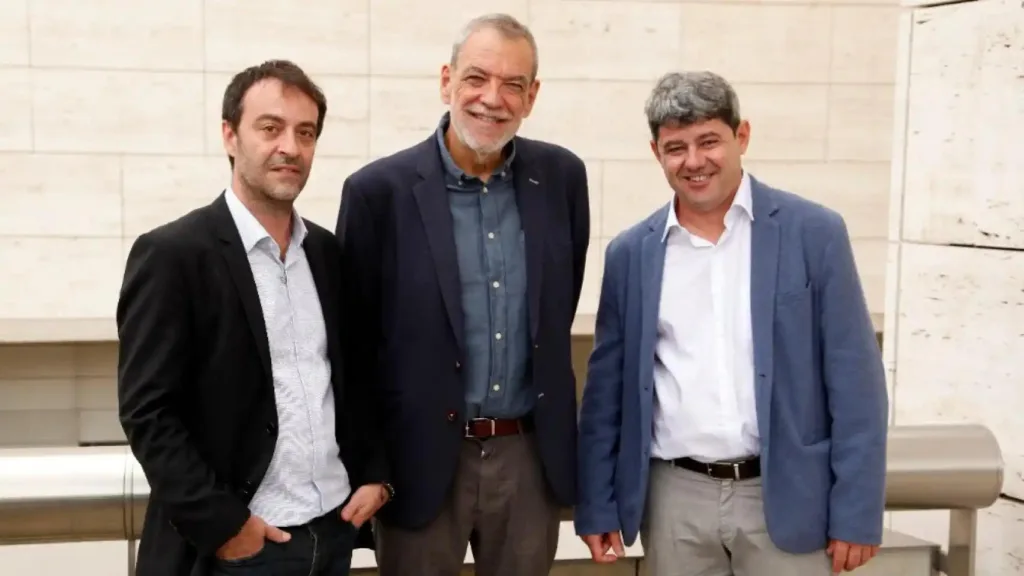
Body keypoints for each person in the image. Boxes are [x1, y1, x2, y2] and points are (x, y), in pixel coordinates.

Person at [574, 71, 889, 575]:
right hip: (673, 499)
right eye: (676, 148)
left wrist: (857, 510)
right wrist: (596, 503)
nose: (694, 161)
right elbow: (605, 395)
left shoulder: (815, 233)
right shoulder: (631, 254)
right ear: (656, 153)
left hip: (788, 496)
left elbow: (857, 384)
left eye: (709, 141)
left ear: (742, 136)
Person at [335, 13, 590, 576]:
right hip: (418, 463)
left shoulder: (563, 179)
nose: (492, 99)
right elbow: (353, 350)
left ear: (532, 97)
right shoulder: (377, 193)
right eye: (477, 78)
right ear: (446, 80)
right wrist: (371, 466)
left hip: (528, 460)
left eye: (513, 85)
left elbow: (557, 309)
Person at [117, 59, 391, 576]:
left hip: (333, 534)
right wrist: (225, 527)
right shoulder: (173, 255)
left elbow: (354, 379)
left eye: (305, 133)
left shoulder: (327, 254)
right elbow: (147, 413)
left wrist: (375, 472)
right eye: (270, 128)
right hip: (239, 547)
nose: (290, 146)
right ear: (230, 135)